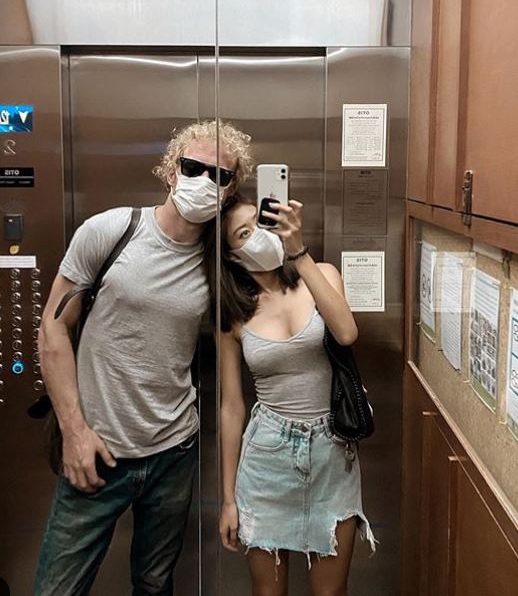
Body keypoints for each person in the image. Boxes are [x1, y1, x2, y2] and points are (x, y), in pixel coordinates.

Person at [34, 120, 253, 596]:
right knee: (57, 588)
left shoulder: (218, 263)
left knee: (154, 586)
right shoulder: (111, 231)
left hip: (174, 453)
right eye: (193, 168)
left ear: (229, 190)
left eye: (219, 175)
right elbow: (53, 328)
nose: (204, 182)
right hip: (97, 449)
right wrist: (74, 432)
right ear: (171, 170)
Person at [206, 193, 376, 596]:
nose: (257, 236)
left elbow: (346, 332)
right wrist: (227, 499)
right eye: (243, 234)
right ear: (230, 255)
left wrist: (298, 252)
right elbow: (231, 407)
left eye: (259, 223)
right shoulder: (232, 314)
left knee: (330, 592)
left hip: (332, 452)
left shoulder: (321, 274)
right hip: (267, 456)